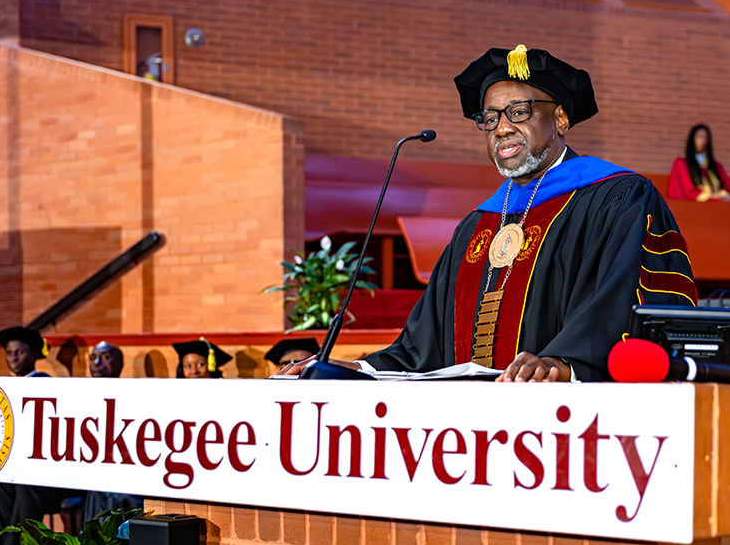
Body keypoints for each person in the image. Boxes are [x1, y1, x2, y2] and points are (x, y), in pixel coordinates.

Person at [282, 44, 696, 382]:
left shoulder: (617, 198)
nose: (501, 128)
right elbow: (422, 346)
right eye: (491, 117)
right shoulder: (476, 225)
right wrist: (357, 369)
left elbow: (629, 300)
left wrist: (566, 364)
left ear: (562, 119)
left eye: (519, 112)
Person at [0, 327, 84, 545]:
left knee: (23, 481)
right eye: (9, 352)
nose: (13, 357)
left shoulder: (47, 385)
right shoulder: (1, 388)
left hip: (47, 471)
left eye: (19, 352)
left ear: (33, 354)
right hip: (13, 464)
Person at [80, 342, 143, 523]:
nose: (97, 363)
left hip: (121, 469)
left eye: (106, 357)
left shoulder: (134, 396)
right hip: (84, 469)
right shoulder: (77, 395)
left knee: (115, 492)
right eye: (93, 358)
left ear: (120, 364)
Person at [667, 124, 730, 202]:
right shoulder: (682, 163)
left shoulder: (716, 166)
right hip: (694, 204)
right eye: (699, 137)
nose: (703, 141)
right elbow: (685, 191)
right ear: (692, 139)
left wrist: (721, 195)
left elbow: (728, 190)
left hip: (718, 203)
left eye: (706, 137)